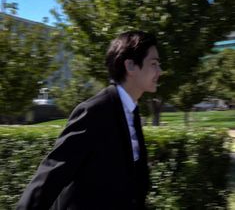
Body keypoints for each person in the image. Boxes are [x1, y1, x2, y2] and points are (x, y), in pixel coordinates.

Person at [16, 30, 162, 210]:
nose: (159, 71)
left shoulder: (132, 111)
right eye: (154, 64)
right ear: (130, 66)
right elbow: (52, 174)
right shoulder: (95, 111)